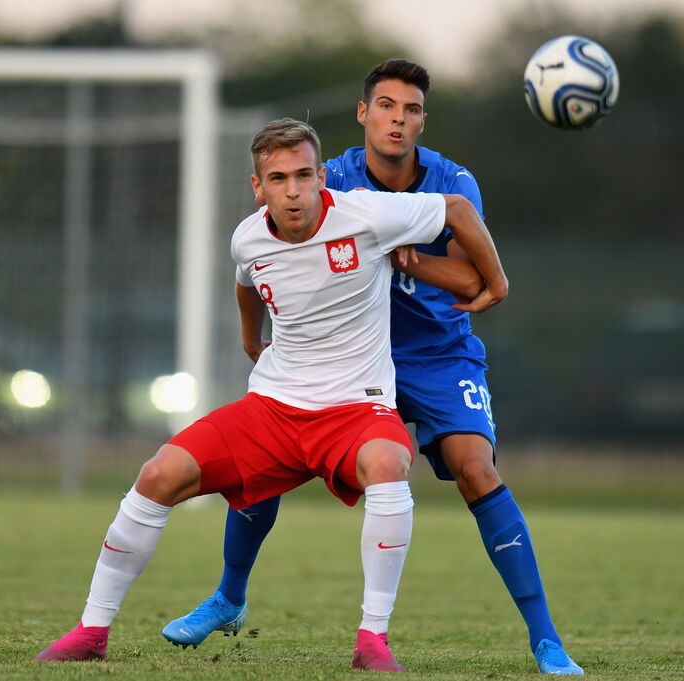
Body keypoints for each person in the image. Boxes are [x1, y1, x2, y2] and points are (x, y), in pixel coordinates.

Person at [35, 118, 508, 671]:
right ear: (258, 188)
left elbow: (457, 208)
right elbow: (247, 280)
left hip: (356, 409)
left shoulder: (366, 214)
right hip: (273, 409)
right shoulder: (248, 236)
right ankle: (91, 630)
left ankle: (372, 641)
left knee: (389, 464)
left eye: (304, 175)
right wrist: (249, 338)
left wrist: (497, 281)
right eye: (278, 179)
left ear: (321, 177)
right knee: (157, 475)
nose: (293, 191)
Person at [162, 60, 584, 675]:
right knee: (265, 453)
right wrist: (257, 337)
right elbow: (258, 262)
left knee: (476, 469)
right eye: (386, 106)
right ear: (363, 113)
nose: (397, 119)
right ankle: (229, 597)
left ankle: (546, 639)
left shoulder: (454, 181)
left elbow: (471, 279)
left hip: (437, 353)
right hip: (350, 358)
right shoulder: (328, 176)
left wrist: (406, 258)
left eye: (411, 110)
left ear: (422, 122)